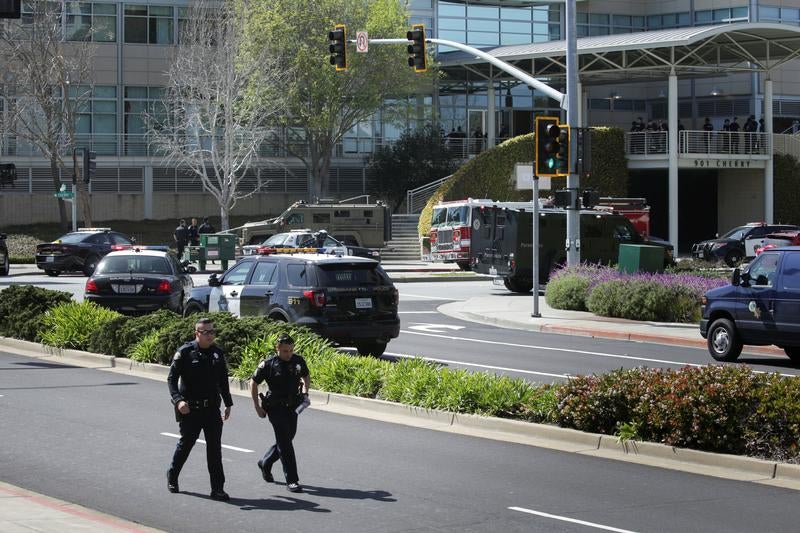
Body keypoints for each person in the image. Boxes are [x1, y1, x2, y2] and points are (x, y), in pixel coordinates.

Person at [167, 318, 233, 501]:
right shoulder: (185, 352)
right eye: (206, 332)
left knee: (214, 450)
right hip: (190, 410)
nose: (210, 335)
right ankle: (172, 475)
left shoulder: (217, 354)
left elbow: (223, 381)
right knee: (186, 445)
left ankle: (218, 488)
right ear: (197, 333)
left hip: (212, 409)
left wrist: (228, 403)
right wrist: (178, 400)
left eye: (212, 331)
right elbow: (171, 380)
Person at [251, 334, 311, 493]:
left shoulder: (298, 361)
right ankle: (292, 480)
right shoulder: (268, 364)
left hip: (293, 406)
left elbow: (306, 376)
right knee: (285, 443)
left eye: (291, 350)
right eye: (285, 351)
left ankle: (266, 462)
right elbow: (254, 382)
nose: (289, 354)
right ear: (277, 349)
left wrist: (305, 392)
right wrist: (257, 407)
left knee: (288, 437)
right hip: (275, 408)